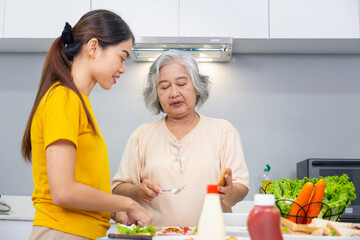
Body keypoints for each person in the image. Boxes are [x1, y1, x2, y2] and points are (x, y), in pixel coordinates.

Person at [21, 10, 152, 240]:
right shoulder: (63, 98)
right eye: (122, 57)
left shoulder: (78, 102)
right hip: (62, 232)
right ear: (93, 47)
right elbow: (63, 191)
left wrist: (114, 210)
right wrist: (128, 203)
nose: (122, 68)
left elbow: (81, 185)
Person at [112, 50, 249, 227]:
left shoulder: (224, 130)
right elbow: (118, 188)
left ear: (196, 86)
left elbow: (241, 186)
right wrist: (137, 191)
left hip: (211, 234)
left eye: (181, 83)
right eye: (164, 87)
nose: (174, 93)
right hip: (155, 235)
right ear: (156, 94)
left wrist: (229, 193)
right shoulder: (142, 134)